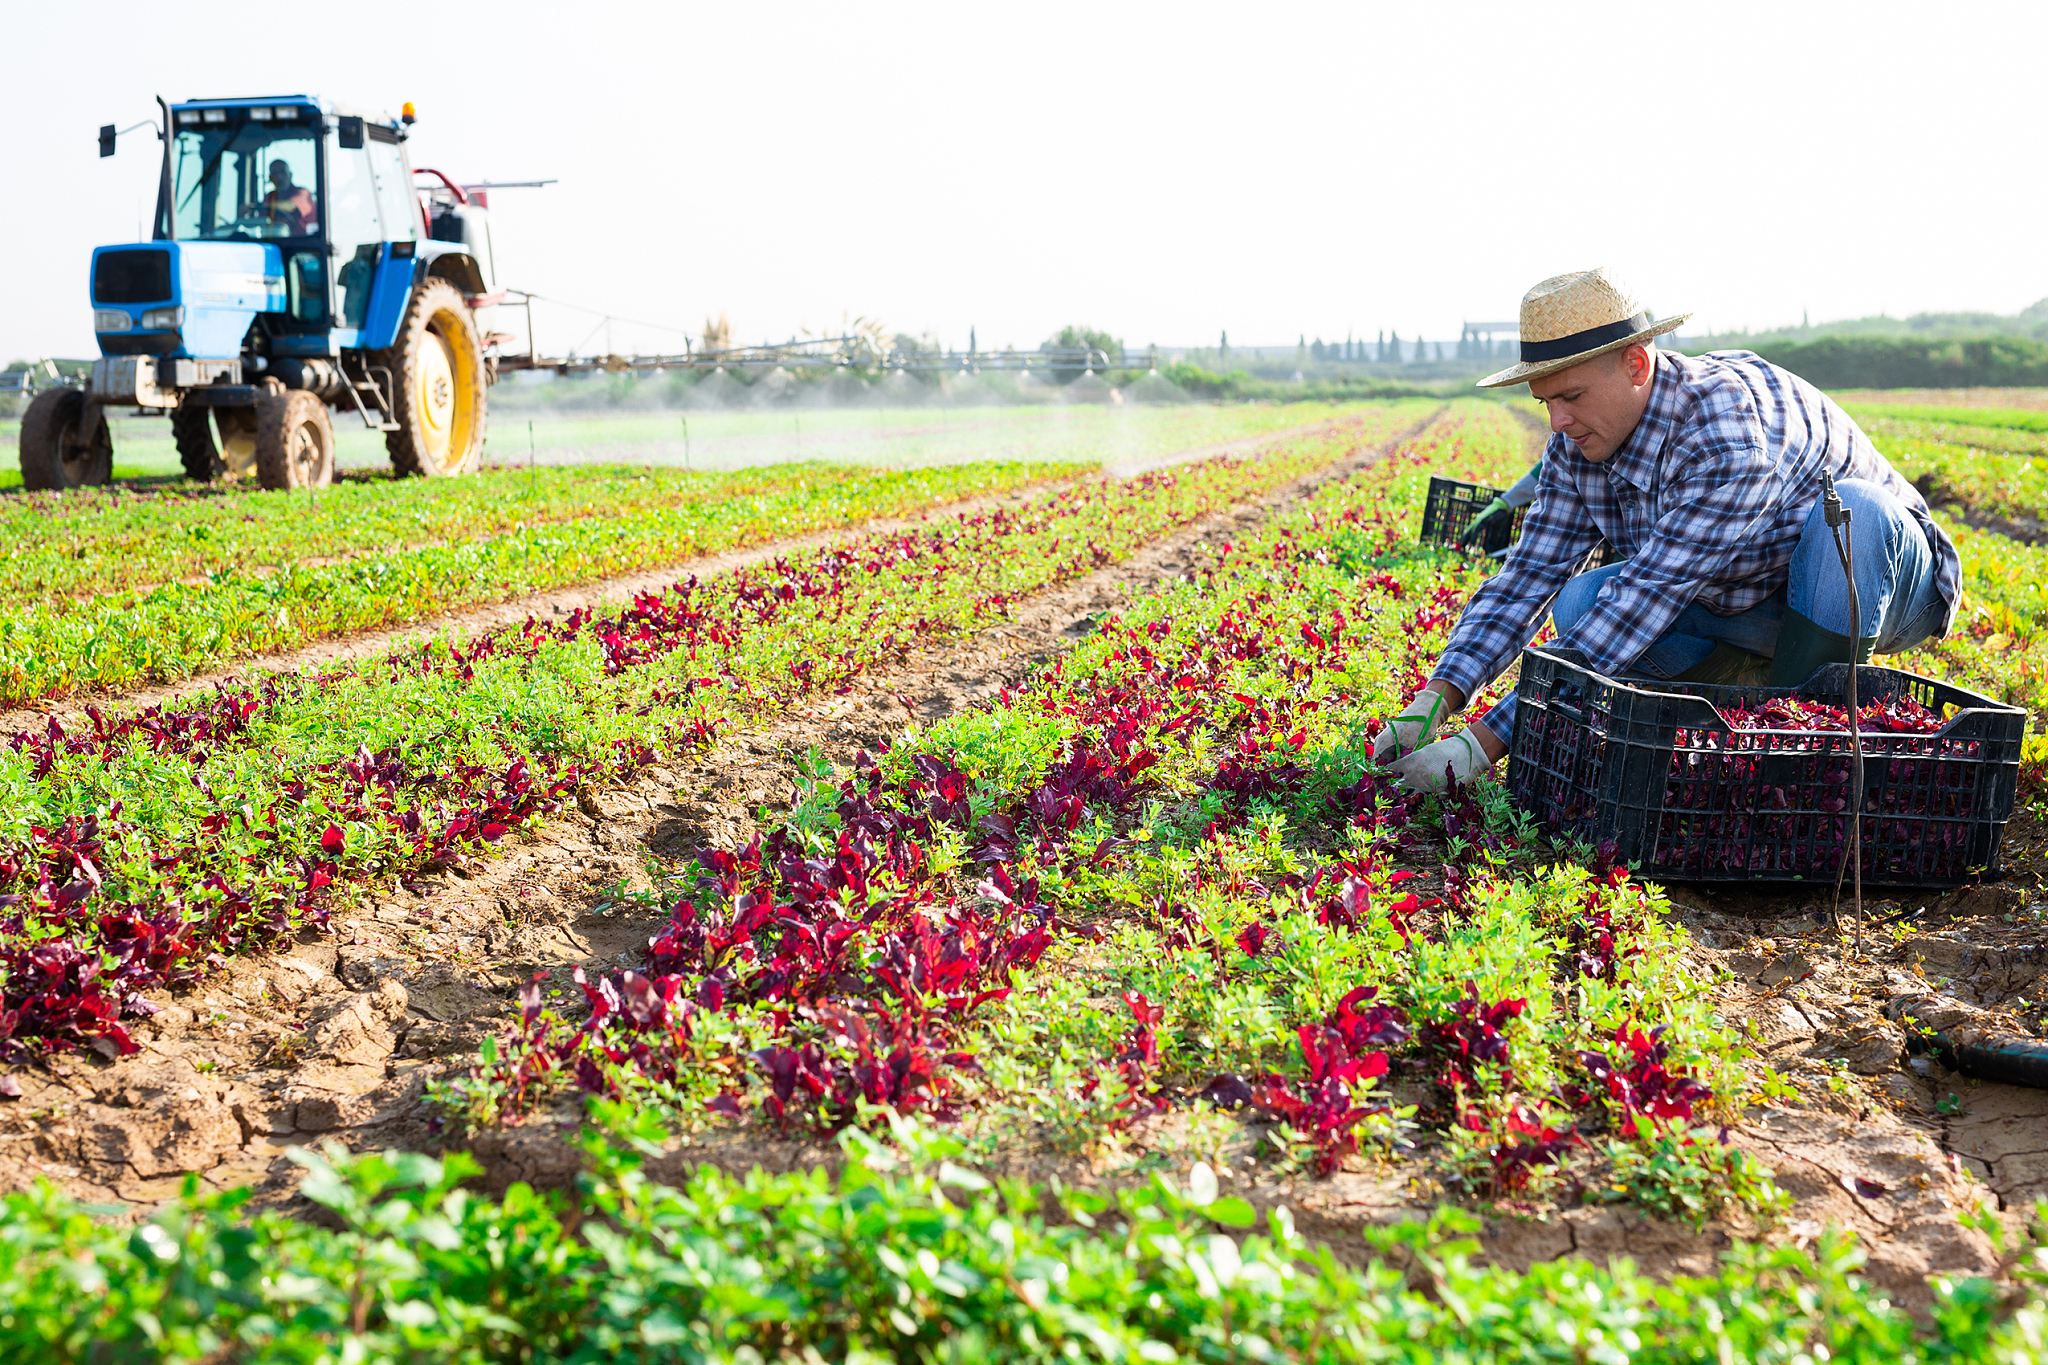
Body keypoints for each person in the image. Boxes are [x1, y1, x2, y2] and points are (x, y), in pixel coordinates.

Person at [1376, 267, 1958, 793]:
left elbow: (1643, 601)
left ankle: (1801, 747)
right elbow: (1528, 575)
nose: (1558, 421)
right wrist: (1438, 696)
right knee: (1581, 600)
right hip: (1751, 598)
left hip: (1882, 586)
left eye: (1572, 396)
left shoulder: (1725, 432)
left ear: (1636, 363)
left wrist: (1480, 746)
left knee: (1852, 515)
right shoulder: (1577, 447)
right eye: (1545, 401)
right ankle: (1759, 692)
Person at [259, 160, 316, 234]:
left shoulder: (302, 193)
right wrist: (247, 212)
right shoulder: (268, 197)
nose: (279, 177)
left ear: (290, 175)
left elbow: (290, 206)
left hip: (301, 243)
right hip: (274, 241)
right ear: (270, 178)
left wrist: (262, 206)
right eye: (274, 173)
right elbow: (258, 221)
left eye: (283, 172)